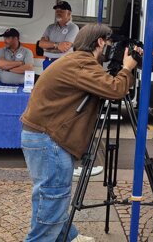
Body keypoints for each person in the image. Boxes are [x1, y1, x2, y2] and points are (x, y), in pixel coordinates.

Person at [19, 23, 139, 242]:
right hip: (48, 140)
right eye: (110, 44)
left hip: (43, 136)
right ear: (100, 42)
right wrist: (127, 69)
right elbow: (115, 90)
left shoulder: (76, 61)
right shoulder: (81, 64)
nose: (111, 49)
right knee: (53, 196)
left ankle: (68, 237)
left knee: (51, 196)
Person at [38, 1, 79, 71]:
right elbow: (41, 44)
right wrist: (57, 45)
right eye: (57, 11)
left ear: (69, 13)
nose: (58, 13)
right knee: (47, 82)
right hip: (48, 61)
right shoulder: (50, 27)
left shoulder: (73, 28)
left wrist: (48, 46)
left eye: (61, 11)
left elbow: (64, 48)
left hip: (63, 63)